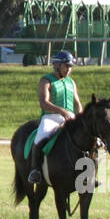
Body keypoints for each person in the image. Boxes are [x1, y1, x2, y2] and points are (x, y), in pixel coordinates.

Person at [27, 51, 83, 186]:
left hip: (70, 117)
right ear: (57, 65)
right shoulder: (46, 80)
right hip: (51, 117)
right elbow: (43, 102)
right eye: (66, 66)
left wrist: (80, 116)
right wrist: (61, 111)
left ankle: (89, 173)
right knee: (41, 136)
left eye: (70, 67)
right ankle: (35, 171)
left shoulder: (71, 82)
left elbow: (77, 103)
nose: (69, 69)